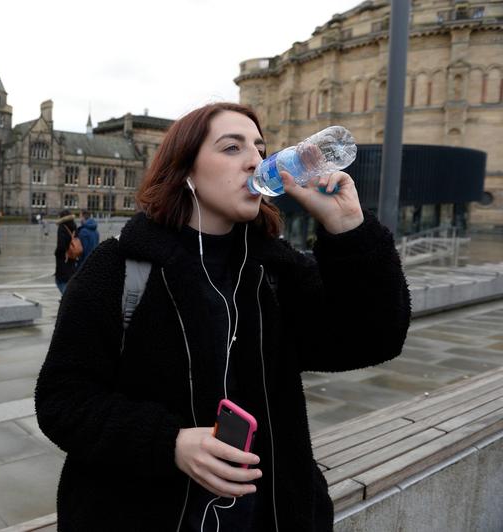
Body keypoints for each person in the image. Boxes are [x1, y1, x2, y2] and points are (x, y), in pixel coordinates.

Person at [35, 102, 411, 531]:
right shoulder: (120, 268)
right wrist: (169, 443)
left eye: (260, 147)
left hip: (266, 516)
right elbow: (61, 400)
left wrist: (349, 230)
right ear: (186, 170)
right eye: (232, 148)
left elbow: (375, 338)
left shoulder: (275, 269)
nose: (256, 159)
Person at [53, 209, 78, 295]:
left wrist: (56, 253)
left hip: (64, 259)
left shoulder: (62, 227)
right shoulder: (74, 226)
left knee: (60, 282)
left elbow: (61, 246)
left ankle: (66, 301)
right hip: (72, 258)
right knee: (68, 280)